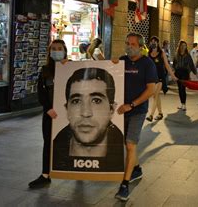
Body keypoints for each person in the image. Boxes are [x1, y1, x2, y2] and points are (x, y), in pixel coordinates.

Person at [52, 67, 124, 172]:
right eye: (76, 101)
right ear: (67, 109)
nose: (85, 113)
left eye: (96, 100)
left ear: (112, 109)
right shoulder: (54, 152)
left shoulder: (123, 152)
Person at [115, 33, 157, 202]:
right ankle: (137, 168)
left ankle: (124, 185)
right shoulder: (122, 60)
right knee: (128, 143)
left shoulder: (148, 63)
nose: (129, 46)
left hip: (137, 111)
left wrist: (131, 105)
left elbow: (151, 90)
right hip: (121, 110)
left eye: (132, 44)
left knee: (130, 144)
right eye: (127, 43)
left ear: (140, 46)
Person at [28, 39, 67, 189]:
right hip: (50, 114)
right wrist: (48, 108)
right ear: (50, 52)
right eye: (54, 48)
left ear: (64, 51)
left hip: (67, 114)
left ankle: (78, 172)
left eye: (59, 48)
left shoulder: (71, 67)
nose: (57, 51)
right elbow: (41, 93)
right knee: (48, 143)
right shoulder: (45, 71)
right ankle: (45, 174)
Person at [145, 36, 178, 122]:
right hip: (151, 78)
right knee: (156, 95)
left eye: (155, 41)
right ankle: (160, 113)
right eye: (151, 41)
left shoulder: (161, 53)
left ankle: (151, 115)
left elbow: (167, 66)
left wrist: (173, 76)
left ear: (157, 43)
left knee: (155, 95)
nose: (153, 43)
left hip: (160, 77)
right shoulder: (148, 54)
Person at [173, 40, 198, 111]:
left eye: (185, 46)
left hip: (185, 73)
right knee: (179, 89)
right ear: (180, 46)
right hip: (178, 73)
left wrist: (196, 73)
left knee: (182, 88)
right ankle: (182, 103)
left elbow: (191, 65)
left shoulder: (187, 55)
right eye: (182, 45)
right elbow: (174, 63)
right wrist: (173, 71)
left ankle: (184, 104)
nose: (184, 47)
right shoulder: (176, 54)